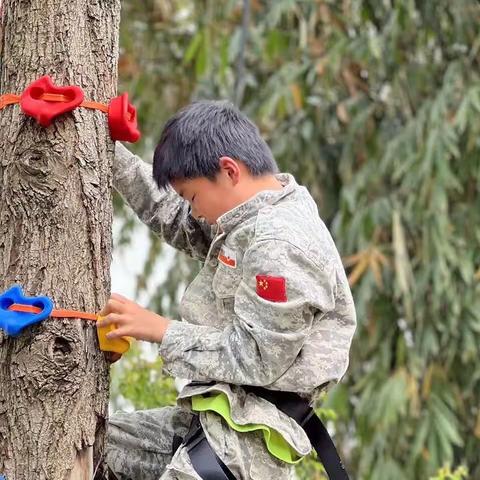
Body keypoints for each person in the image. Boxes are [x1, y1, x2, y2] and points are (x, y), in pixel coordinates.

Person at [101, 100, 356, 480]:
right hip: (214, 416)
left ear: (229, 171)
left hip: (247, 441)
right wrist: (105, 153)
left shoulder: (281, 244)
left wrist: (159, 330)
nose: (195, 212)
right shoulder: (249, 214)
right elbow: (174, 217)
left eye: (192, 197)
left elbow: (256, 357)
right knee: (90, 444)